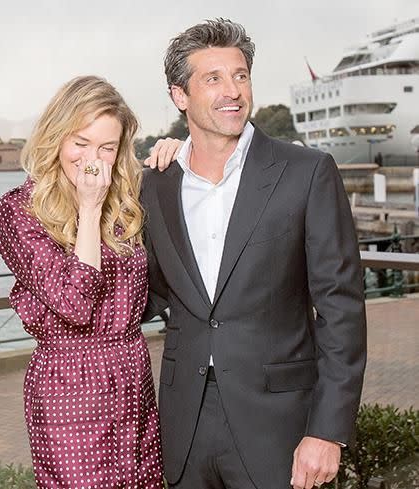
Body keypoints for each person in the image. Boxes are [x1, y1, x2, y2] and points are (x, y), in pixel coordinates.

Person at [141, 19, 367, 489]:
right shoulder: (156, 185)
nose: (233, 91)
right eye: (213, 78)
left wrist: (327, 431)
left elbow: (341, 308)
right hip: (183, 430)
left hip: (279, 427)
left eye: (240, 75)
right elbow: (151, 293)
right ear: (179, 96)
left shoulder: (307, 172)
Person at [0, 75, 181, 488]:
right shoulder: (20, 210)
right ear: (55, 137)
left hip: (131, 373)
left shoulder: (127, 198)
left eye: (107, 147)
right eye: (80, 143)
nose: (92, 160)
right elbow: (74, 302)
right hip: (69, 384)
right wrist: (89, 208)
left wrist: (182, 155)